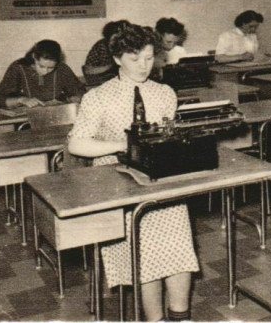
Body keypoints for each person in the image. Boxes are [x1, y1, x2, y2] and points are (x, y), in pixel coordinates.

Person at [67, 24, 198, 322]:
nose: (144, 66)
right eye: (135, 59)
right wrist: (124, 143)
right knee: (144, 252)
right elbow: (77, 144)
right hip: (116, 179)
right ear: (117, 59)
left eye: (150, 58)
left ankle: (182, 317)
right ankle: (155, 319)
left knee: (178, 245)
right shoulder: (98, 97)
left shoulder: (164, 93)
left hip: (158, 177)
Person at [0, 39, 84, 109]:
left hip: (55, 116)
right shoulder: (18, 68)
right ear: (34, 57)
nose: (45, 71)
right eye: (41, 66)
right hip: (24, 122)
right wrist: (21, 100)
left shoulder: (62, 68)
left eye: (51, 68)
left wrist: (75, 98)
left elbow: (80, 92)